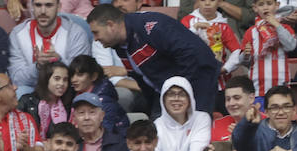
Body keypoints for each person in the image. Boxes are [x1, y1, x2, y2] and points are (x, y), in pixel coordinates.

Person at [86, 5, 221, 113]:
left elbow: (191, 54)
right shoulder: (119, 44)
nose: (95, 39)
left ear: (111, 25)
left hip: (199, 79)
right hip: (165, 91)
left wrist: (180, 91)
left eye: (96, 32)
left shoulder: (151, 26)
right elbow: (141, 78)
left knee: (194, 133)